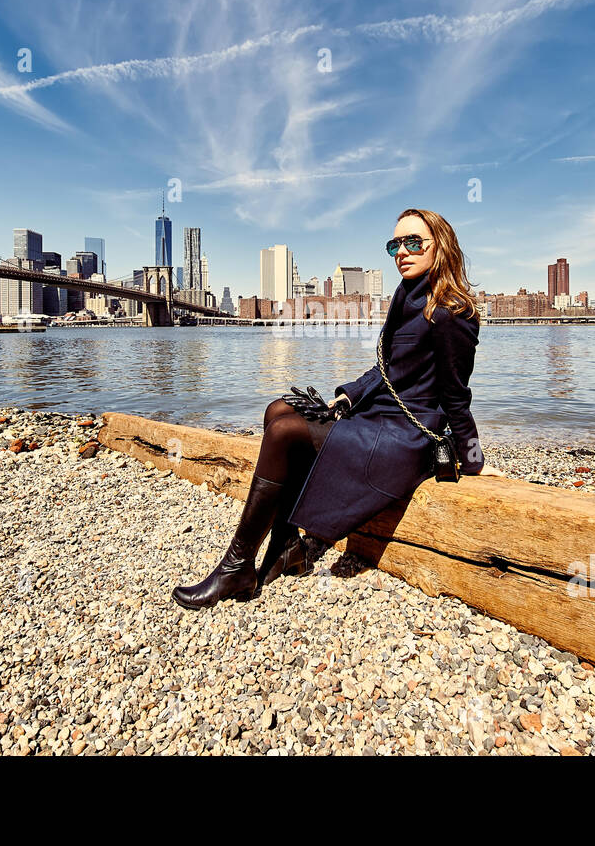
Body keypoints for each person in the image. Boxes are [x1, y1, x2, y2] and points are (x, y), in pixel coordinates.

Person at [172, 208, 502, 610]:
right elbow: (385, 369)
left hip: (404, 435)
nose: (402, 251)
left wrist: (473, 459)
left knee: (284, 432)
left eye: (414, 242)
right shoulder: (406, 295)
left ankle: (236, 566)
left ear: (441, 246)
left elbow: (456, 395)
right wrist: (347, 397)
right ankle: (286, 544)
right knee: (278, 409)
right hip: (379, 415)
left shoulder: (451, 313)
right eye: (394, 244)